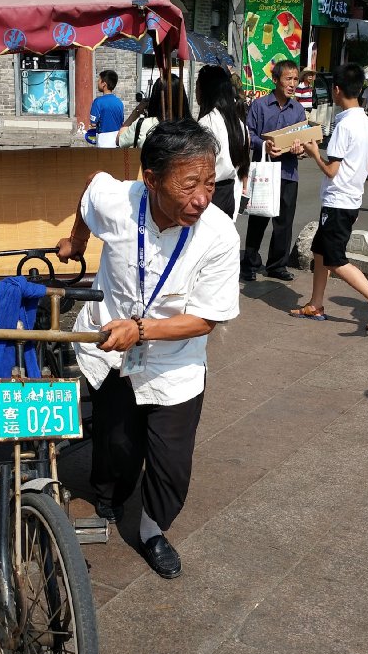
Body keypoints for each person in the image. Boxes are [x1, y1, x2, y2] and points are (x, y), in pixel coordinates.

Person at [56, 119, 240, 579]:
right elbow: (87, 192)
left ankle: (154, 530)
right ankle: (108, 498)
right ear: (151, 179)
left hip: (173, 364)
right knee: (116, 443)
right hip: (112, 349)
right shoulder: (117, 200)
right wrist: (77, 241)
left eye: (210, 183)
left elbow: (206, 318)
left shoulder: (219, 235)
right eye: (190, 184)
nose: (202, 197)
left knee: (171, 466)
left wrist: (142, 330)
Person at [288, 62, 368, 331]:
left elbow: (331, 170)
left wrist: (314, 152)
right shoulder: (364, 121)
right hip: (350, 198)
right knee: (319, 250)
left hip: (339, 200)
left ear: (336, 90)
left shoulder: (344, 126)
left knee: (335, 259)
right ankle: (316, 304)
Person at [242, 59, 308, 281]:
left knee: (284, 222)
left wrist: (299, 149)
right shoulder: (259, 106)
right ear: (275, 79)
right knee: (258, 218)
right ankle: (249, 264)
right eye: (288, 79)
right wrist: (264, 145)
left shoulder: (298, 110)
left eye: (295, 79)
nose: (292, 84)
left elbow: (304, 141)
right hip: (263, 172)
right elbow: (247, 135)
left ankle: (277, 265)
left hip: (288, 173)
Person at [196, 64, 250, 220]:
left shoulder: (207, 123)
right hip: (230, 193)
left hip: (211, 193)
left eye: (198, 86)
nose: (196, 91)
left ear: (206, 90)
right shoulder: (238, 123)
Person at [117, 75, 190, 150]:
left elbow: (119, 140)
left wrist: (136, 111)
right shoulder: (191, 128)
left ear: (154, 98)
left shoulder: (143, 125)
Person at [88, 70, 124, 148]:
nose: (97, 83)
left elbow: (93, 123)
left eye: (99, 80)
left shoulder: (98, 102)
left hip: (103, 140)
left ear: (104, 84)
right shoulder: (119, 102)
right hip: (118, 138)